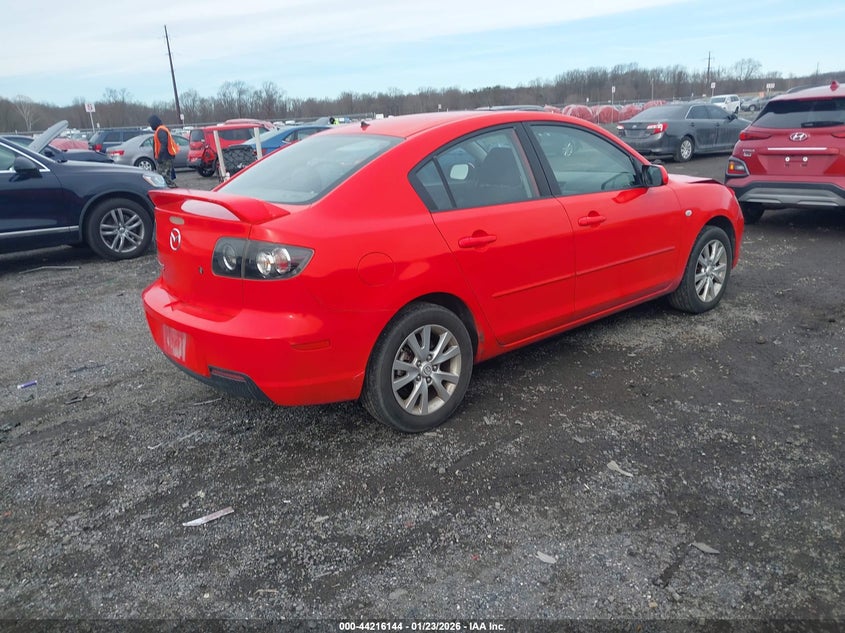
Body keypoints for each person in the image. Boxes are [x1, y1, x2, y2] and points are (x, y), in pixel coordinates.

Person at [147, 114, 179, 188]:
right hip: (166, 157)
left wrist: (160, 157)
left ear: (154, 123)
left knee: (164, 178)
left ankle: (174, 192)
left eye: (150, 124)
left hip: (164, 158)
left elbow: (164, 144)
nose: (150, 126)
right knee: (165, 177)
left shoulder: (161, 131)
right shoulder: (161, 129)